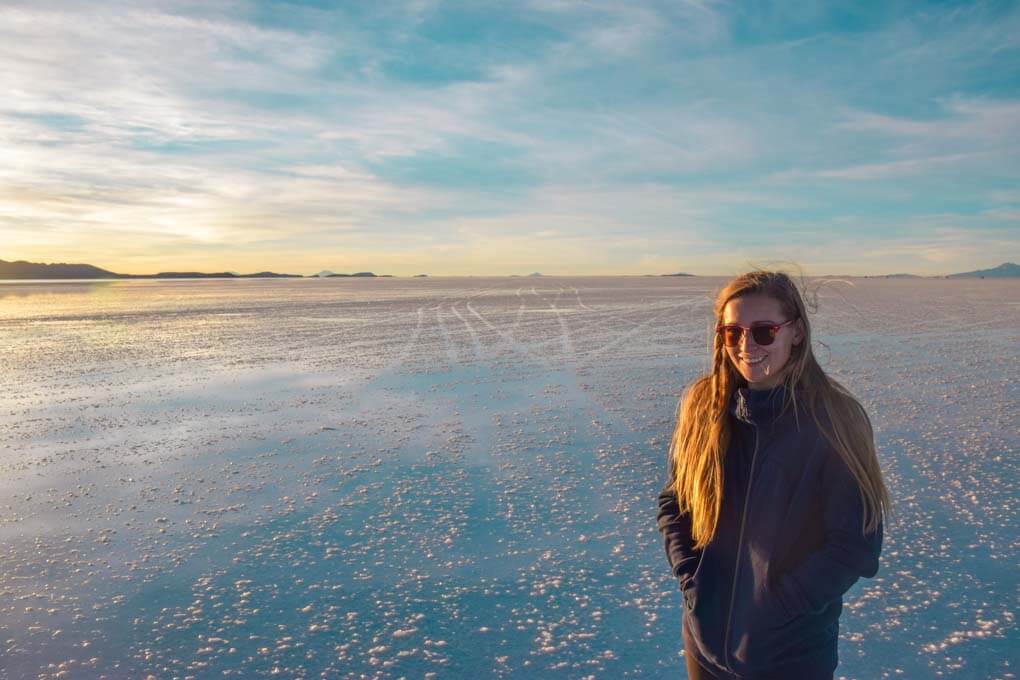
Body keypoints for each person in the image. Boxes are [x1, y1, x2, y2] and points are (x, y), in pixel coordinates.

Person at [656, 270, 891, 679]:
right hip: (705, 648)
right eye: (732, 332)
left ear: (796, 332)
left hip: (789, 657)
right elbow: (675, 503)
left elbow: (856, 545)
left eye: (763, 332)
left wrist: (778, 608)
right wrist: (691, 581)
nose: (746, 345)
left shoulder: (834, 420)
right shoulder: (704, 407)